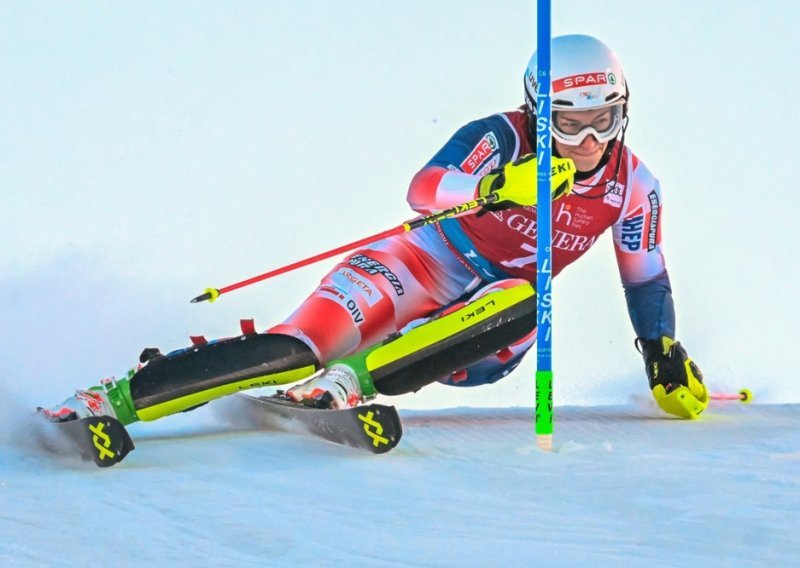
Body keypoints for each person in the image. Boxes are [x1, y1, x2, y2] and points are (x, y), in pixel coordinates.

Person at [43, 34, 707, 427]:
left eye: (605, 119)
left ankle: (352, 380)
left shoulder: (634, 185)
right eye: (569, 123)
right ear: (539, 113)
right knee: (304, 344)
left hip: (489, 328)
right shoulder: (501, 138)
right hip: (417, 265)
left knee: (526, 301)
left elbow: (645, 273)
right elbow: (423, 188)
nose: (589, 140)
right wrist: (491, 188)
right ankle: (115, 399)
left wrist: (661, 352)